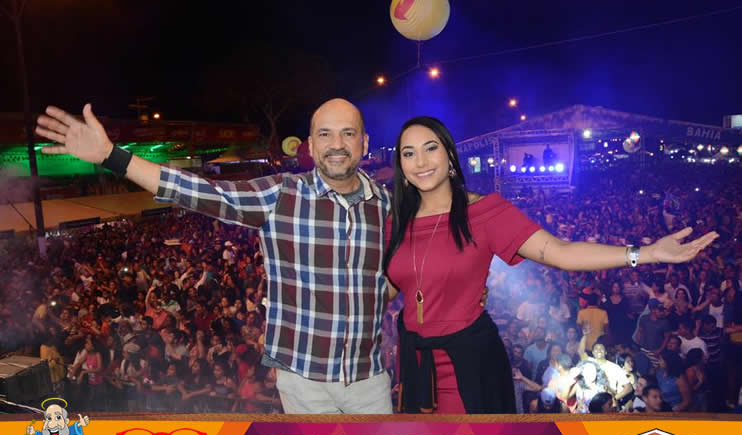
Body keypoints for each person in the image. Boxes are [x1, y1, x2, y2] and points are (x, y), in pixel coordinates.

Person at [35, 99, 394, 414]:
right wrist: (112, 156)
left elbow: (395, 276)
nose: (337, 144)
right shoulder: (283, 195)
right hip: (305, 382)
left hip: (368, 377)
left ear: (364, 143)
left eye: (348, 133)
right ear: (311, 146)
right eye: (326, 134)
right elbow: (201, 191)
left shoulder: (387, 204)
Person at [383, 116, 718, 414]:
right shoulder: (394, 222)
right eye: (409, 153)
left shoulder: (484, 213)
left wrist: (647, 253)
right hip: (415, 364)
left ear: (450, 156)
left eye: (430, 148)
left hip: (467, 364)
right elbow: (385, 290)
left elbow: (562, 252)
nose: (420, 161)